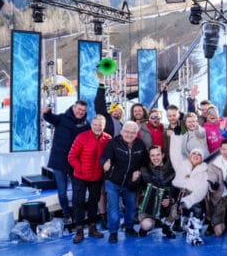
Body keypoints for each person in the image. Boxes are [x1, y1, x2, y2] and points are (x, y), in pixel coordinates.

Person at [100, 121, 148, 243]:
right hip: (113, 181)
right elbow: (105, 157)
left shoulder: (140, 145)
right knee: (113, 208)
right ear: (122, 132)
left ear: (136, 133)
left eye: (132, 132)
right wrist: (105, 163)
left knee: (131, 207)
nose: (129, 134)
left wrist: (139, 172)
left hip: (130, 183)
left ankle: (129, 227)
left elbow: (145, 163)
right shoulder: (114, 142)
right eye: (126, 131)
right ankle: (113, 232)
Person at [42, 99, 89, 224]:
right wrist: (47, 112)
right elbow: (50, 118)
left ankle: (76, 214)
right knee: (62, 191)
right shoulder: (62, 118)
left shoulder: (86, 124)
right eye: (79, 109)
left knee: (77, 191)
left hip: (75, 163)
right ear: (73, 108)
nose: (81, 112)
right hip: (59, 161)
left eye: (83, 110)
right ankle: (66, 213)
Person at [67, 114, 111, 244]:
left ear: (104, 126)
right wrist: (80, 168)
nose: (98, 127)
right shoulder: (82, 137)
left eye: (100, 125)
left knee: (94, 202)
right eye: (95, 125)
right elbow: (72, 157)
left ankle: (93, 228)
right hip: (81, 176)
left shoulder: (107, 139)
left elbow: (110, 155)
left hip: (97, 177)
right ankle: (79, 230)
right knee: (78, 202)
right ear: (91, 125)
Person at [169, 135, 210, 246]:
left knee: (196, 209)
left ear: (202, 159)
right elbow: (174, 154)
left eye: (199, 155)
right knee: (183, 222)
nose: (196, 156)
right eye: (194, 154)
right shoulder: (182, 166)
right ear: (189, 156)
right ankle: (180, 223)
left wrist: (187, 201)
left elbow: (201, 191)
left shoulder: (205, 172)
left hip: (195, 200)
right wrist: (176, 136)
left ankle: (194, 236)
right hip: (179, 195)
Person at [138, 145, 177, 239]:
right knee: (146, 225)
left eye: (158, 155)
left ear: (163, 155)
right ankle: (146, 227)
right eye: (152, 155)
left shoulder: (171, 170)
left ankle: (166, 227)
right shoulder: (144, 170)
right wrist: (134, 179)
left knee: (176, 207)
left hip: (165, 206)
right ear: (149, 157)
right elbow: (135, 188)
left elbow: (176, 189)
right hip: (148, 208)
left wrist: (170, 199)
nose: (155, 158)